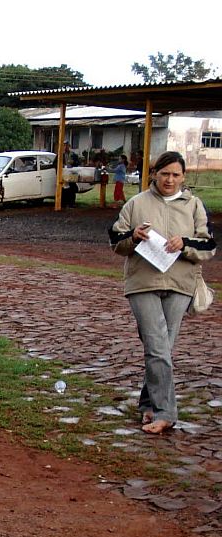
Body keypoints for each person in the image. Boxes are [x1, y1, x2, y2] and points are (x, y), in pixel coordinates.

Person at [110, 151, 216, 435]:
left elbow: (208, 247)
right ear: (154, 173)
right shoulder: (136, 203)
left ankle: (147, 403)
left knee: (162, 349)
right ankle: (166, 412)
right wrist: (133, 237)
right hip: (143, 283)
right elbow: (115, 240)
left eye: (175, 175)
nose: (169, 179)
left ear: (183, 177)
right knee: (157, 347)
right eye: (164, 173)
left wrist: (185, 243)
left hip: (181, 285)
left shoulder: (194, 206)